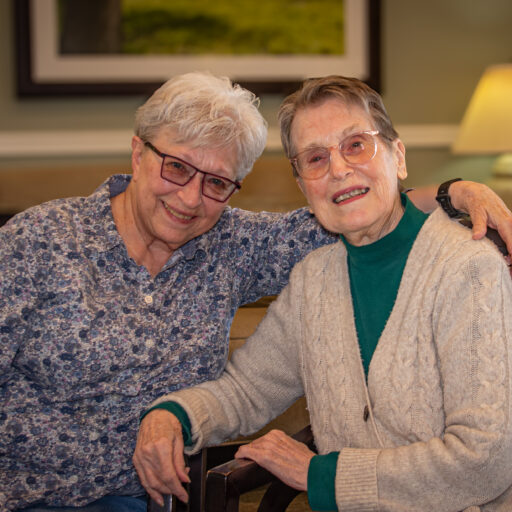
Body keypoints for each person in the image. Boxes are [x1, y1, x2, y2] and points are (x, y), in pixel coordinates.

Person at [1, 72, 510, 512]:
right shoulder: (42, 240)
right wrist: (171, 412)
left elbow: (486, 457)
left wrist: (455, 190)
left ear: (398, 156)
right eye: (314, 158)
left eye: (356, 145)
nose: (190, 197)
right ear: (138, 153)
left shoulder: (465, 268)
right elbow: (247, 389)